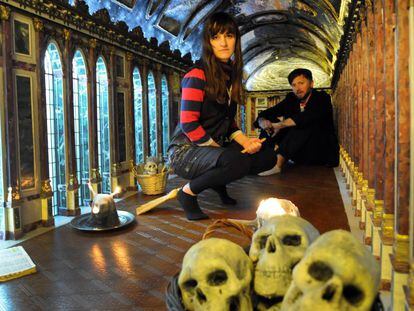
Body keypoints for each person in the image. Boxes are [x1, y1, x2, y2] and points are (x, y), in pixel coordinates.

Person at [167, 12, 277, 220]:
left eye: (229, 35)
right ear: (208, 43)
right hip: (185, 151)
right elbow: (189, 124)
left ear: (236, 39)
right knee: (236, 160)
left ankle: (218, 183)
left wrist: (247, 142)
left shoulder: (230, 77)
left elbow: (228, 123)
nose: (224, 43)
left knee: (267, 156)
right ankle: (188, 193)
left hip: (211, 148)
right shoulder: (196, 75)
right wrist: (222, 152)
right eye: (216, 37)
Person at [254, 68, 339, 176]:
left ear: (311, 84)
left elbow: (307, 117)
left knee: (303, 124)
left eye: (301, 83)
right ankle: (262, 160)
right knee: (270, 123)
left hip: (319, 151)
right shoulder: (291, 99)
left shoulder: (322, 98)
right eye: (294, 85)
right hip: (298, 151)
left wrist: (280, 125)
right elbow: (269, 112)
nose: (297, 88)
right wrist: (263, 122)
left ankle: (278, 165)